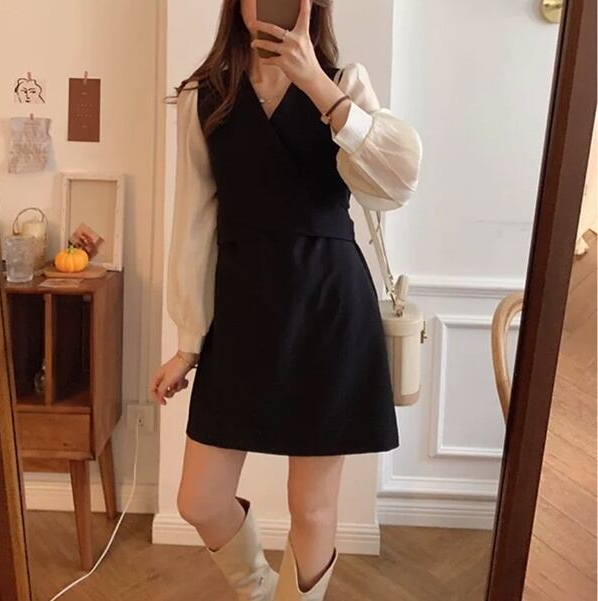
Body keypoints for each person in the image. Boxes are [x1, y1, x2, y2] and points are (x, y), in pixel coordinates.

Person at [149, 0, 422, 599]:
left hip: (329, 308)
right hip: (242, 312)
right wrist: (189, 343)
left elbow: (398, 181)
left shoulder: (343, 82)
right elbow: (193, 223)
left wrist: (319, 87)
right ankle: (257, 589)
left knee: (313, 508)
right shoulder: (204, 96)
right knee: (200, 499)